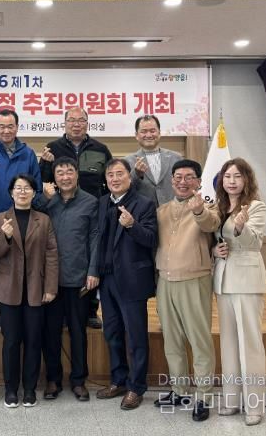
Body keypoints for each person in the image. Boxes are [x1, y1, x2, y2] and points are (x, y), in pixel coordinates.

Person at [153, 159, 220, 422]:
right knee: (172, 340)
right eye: (178, 177)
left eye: (189, 177)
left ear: (199, 181)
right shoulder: (162, 210)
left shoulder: (208, 207)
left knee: (199, 340)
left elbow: (211, 225)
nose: (183, 182)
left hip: (194, 280)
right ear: (171, 181)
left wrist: (199, 211)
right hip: (165, 281)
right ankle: (179, 390)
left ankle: (203, 396)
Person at [38, 107, 112, 329]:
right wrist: (44, 164)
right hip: (61, 210)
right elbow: (43, 182)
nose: (76, 124)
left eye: (81, 120)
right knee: (62, 258)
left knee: (90, 257)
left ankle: (90, 310)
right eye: (72, 120)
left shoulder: (101, 149)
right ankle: (60, 311)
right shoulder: (52, 148)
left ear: (87, 123)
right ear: (65, 123)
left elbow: (109, 181)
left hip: (92, 210)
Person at [0, 174, 58, 409]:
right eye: (18, 188)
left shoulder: (44, 220)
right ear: (11, 193)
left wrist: (50, 287)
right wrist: (6, 237)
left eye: (27, 188)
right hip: (8, 290)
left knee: (33, 341)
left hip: (36, 289)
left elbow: (52, 254)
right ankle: (10, 389)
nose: (22, 191)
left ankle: (29, 389)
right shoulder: (0, 218)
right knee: (11, 342)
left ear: (33, 192)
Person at [95, 159, 157, 410]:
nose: (115, 178)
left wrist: (132, 225)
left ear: (130, 177)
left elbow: (151, 239)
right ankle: (118, 380)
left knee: (136, 336)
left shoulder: (144, 203)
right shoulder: (102, 203)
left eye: (119, 173)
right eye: (110, 175)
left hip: (132, 279)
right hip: (107, 279)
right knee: (112, 333)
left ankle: (136, 387)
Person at [38, 157, 99, 402]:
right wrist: (45, 198)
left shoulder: (90, 202)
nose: (65, 177)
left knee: (78, 332)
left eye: (69, 171)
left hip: (78, 278)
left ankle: (78, 380)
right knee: (50, 331)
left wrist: (93, 270)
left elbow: (95, 238)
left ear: (77, 174)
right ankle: (53, 379)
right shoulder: (47, 202)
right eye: (60, 173)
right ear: (54, 177)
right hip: (50, 279)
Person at [212, 158, 266, 426]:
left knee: (250, 345)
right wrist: (215, 250)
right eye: (227, 176)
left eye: (237, 176)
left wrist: (240, 226)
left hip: (247, 280)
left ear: (247, 179)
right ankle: (231, 400)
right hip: (223, 281)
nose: (231, 181)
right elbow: (213, 239)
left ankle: (254, 405)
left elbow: (255, 243)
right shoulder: (218, 206)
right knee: (229, 344)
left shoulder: (256, 206)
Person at [0, 110, 42, 225]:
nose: (6, 131)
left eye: (10, 127)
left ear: (17, 127)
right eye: (2, 127)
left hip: (23, 219)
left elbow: (38, 189)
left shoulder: (28, 153)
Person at [124, 115, 182, 207]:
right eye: (143, 131)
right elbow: (124, 190)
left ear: (159, 133)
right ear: (136, 135)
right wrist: (136, 174)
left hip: (173, 210)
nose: (149, 135)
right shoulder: (127, 161)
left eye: (152, 131)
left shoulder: (176, 158)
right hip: (144, 212)